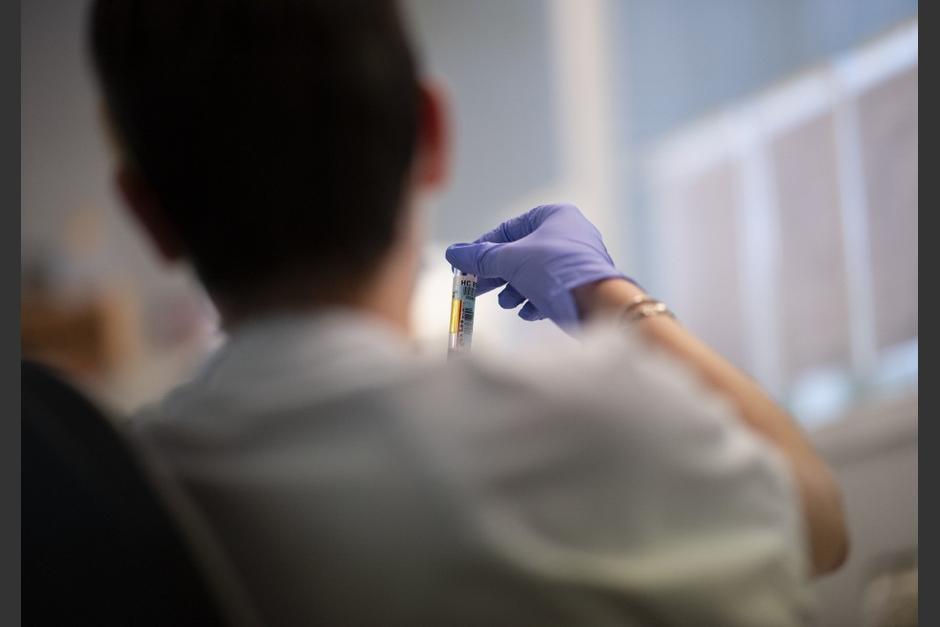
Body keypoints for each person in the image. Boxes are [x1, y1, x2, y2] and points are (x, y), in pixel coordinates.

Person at [90, 0, 847, 624]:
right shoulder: (601, 419)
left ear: (146, 214)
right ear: (432, 134)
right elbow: (818, 520)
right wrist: (609, 295)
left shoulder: (107, 499)